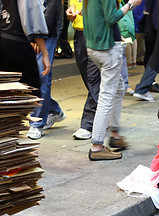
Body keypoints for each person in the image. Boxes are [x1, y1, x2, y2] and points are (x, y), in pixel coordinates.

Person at [83, 0, 142, 161]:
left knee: (118, 89)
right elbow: (111, 17)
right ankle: (96, 145)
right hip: (107, 49)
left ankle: (114, 134)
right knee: (107, 96)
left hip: (96, 47)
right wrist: (130, 5)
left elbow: (97, 18)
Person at [26, 0, 66, 140]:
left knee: (41, 76)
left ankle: (37, 123)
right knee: (28, 78)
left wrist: (38, 37)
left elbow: (52, 10)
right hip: (26, 31)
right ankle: (53, 109)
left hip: (45, 31)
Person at [0, 0, 51, 98]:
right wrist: (45, 54)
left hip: (5, 38)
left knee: (5, 94)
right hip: (17, 44)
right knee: (32, 92)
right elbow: (34, 17)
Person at [66, 0, 101, 140]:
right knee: (88, 77)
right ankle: (102, 109)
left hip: (98, 33)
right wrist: (72, 9)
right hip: (80, 33)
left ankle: (88, 123)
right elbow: (74, 2)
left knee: (94, 78)